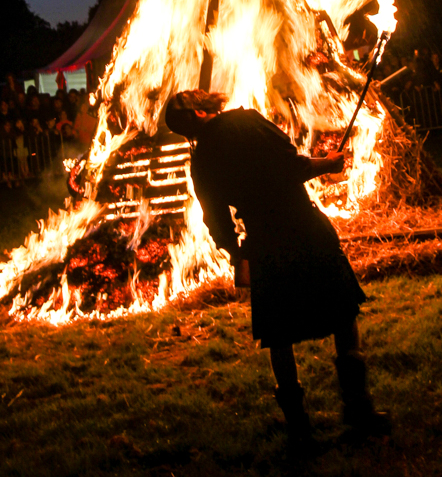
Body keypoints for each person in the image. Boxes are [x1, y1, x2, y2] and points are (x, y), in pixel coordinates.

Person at [164, 90, 391, 442]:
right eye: (196, 98)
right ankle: (358, 409)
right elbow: (290, 167)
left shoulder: (201, 160)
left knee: (279, 335)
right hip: (302, 226)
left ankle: (299, 429)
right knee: (343, 315)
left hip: (263, 239)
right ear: (197, 110)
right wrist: (327, 164)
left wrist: (236, 254)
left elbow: (216, 220)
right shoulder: (244, 120)